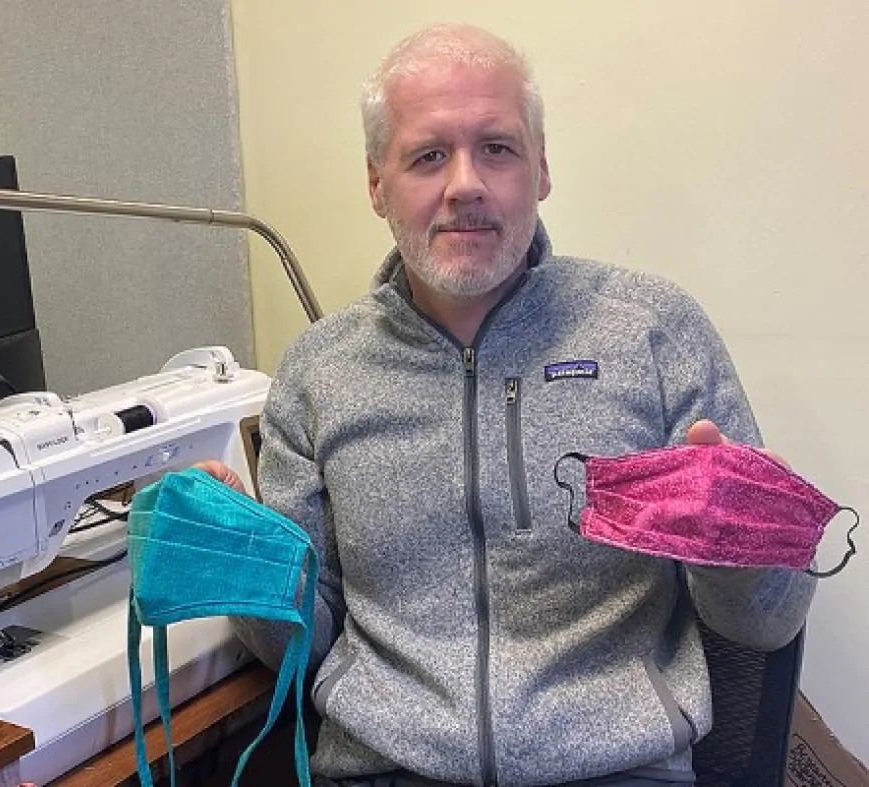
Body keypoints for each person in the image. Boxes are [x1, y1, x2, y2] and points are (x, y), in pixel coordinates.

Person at [199, 23, 816, 786]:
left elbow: (765, 623)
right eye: (428, 155)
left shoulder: (654, 331)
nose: (465, 183)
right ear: (375, 184)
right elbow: (307, 640)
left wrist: (756, 539)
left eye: (496, 147)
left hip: (619, 772)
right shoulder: (318, 371)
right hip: (382, 772)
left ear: (541, 167)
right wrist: (244, 565)